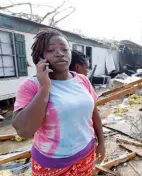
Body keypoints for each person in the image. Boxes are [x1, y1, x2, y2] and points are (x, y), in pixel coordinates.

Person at [12, 28, 105, 176]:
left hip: (86, 153)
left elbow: (94, 113)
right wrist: (44, 88)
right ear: (40, 56)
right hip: (51, 165)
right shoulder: (31, 86)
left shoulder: (82, 80)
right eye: (51, 50)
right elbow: (24, 131)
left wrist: (101, 142)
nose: (60, 53)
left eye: (64, 49)